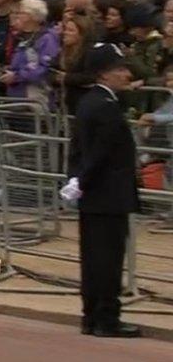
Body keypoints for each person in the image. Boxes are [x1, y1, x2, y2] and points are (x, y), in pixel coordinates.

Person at [64, 43, 142, 338]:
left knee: (92, 258)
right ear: (104, 75)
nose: (126, 74)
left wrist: (74, 180)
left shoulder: (87, 103)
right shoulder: (106, 107)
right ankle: (107, 318)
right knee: (108, 259)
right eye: (120, 69)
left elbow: (77, 150)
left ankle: (91, 315)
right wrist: (81, 181)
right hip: (108, 195)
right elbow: (100, 153)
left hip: (92, 195)